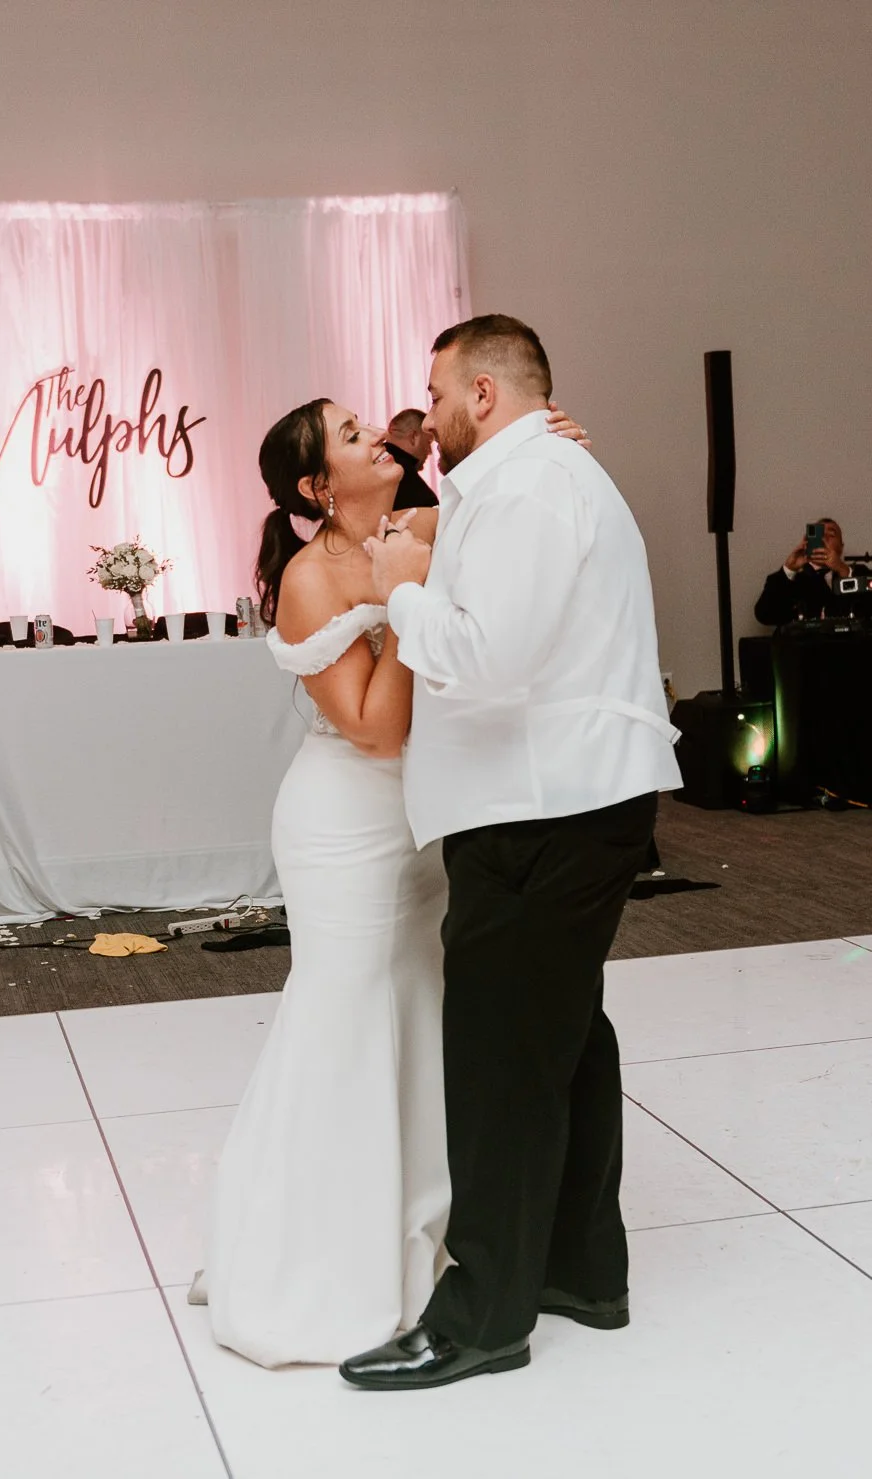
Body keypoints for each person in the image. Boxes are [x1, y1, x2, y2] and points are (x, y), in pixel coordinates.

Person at [192, 393, 589, 1368]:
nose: (381, 436)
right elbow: (374, 724)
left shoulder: (419, 522)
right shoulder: (311, 576)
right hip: (345, 824)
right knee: (351, 1008)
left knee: (424, 1005)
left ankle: (440, 1223)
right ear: (317, 487)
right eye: (353, 436)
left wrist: (551, 446)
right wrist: (409, 604)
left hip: (427, 818)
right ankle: (327, 1249)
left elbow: (509, 518)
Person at [339, 314, 681, 1391]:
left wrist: (397, 591)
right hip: (553, 800)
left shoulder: (536, 486)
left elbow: (487, 658)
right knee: (563, 1041)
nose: (423, 414)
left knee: (498, 1061)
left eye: (436, 393)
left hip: (545, 809)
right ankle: (582, 1269)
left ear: (483, 394)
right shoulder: (527, 477)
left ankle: (481, 1315)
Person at [754, 519, 869, 626]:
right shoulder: (791, 579)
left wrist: (843, 570)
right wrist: (788, 569)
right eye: (820, 534)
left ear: (841, 547)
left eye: (831, 535)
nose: (824, 538)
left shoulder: (860, 572)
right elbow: (764, 615)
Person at [386, 407, 439, 510]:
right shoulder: (422, 497)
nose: (430, 451)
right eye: (428, 442)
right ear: (414, 437)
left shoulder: (367, 468)